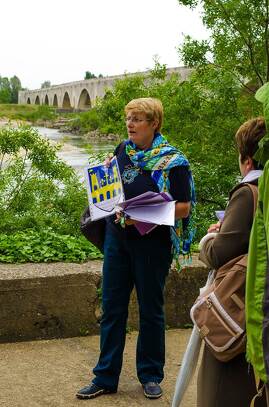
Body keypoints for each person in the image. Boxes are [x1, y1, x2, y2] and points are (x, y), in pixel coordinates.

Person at [76, 97, 195, 400]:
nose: (130, 124)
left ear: (154, 123)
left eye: (137, 119)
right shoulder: (121, 151)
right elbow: (113, 189)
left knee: (151, 311)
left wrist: (149, 212)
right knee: (112, 308)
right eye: (128, 118)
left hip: (152, 245)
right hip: (118, 240)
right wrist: (104, 178)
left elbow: (184, 207)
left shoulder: (174, 162)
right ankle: (104, 377)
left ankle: (151, 375)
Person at [197, 117, 267, 407]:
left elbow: (220, 253)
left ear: (247, 160)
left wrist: (208, 242)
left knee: (223, 386)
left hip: (240, 306)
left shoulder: (248, 191)